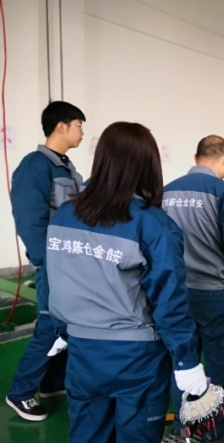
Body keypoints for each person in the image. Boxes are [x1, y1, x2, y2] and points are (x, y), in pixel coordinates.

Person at [45, 122, 206, 442]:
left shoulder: (64, 215)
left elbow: (60, 279)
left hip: (82, 353)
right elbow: (169, 300)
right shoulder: (153, 224)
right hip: (137, 359)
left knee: (87, 435)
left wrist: (62, 330)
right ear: (148, 166)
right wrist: (186, 360)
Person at [164, 135, 224, 441]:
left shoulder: (166, 191)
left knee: (183, 362)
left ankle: (184, 427)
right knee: (218, 363)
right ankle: (215, 430)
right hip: (216, 294)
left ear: (196, 157)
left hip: (176, 293)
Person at [6, 101, 85, 421]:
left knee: (68, 325)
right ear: (61, 126)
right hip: (54, 265)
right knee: (51, 326)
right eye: (79, 125)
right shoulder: (35, 166)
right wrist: (46, 262)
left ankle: (52, 383)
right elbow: (29, 222)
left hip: (71, 264)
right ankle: (20, 393)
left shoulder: (68, 169)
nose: (82, 132)